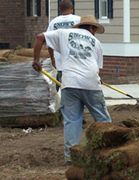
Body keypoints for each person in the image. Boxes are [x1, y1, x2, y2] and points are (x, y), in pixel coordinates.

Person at [32, 15, 112, 164]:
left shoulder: (64, 33)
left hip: (69, 84)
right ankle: (111, 152)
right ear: (93, 29)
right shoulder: (96, 42)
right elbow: (97, 68)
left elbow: (39, 37)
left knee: (72, 121)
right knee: (102, 119)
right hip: (91, 84)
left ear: (80, 26)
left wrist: (36, 61)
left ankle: (71, 158)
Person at [47, 0, 80, 91]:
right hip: (77, 63)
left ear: (59, 9)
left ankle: (61, 102)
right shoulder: (79, 20)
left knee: (61, 87)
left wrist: (52, 59)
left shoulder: (53, 22)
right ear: (72, 9)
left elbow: (49, 43)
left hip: (60, 63)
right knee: (76, 88)